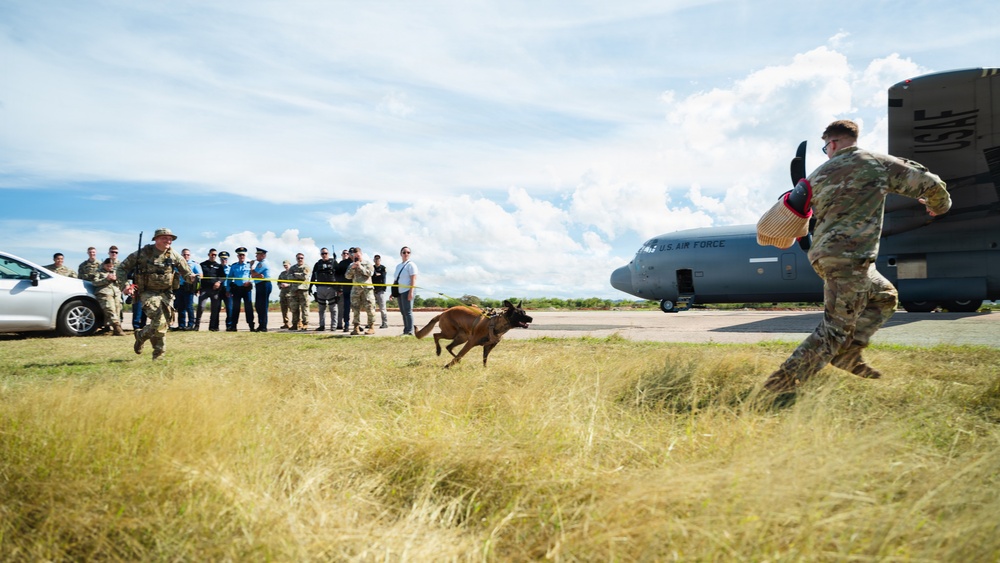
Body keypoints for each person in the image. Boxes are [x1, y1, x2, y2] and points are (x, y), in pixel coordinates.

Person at [763, 120, 952, 395]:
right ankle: (778, 387)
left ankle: (848, 353)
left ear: (833, 143)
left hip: (828, 257)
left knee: (884, 296)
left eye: (825, 147)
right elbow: (930, 183)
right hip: (850, 259)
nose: (827, 152)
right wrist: (939, 207)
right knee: (835, 329)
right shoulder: (876, 163)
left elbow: (795, 212)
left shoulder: (816, 175)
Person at [116, 228, 196, 360]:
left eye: (170, 238)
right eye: (165, 238)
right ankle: (159, 355)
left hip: (167, 293)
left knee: (164, 323)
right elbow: (121, 268)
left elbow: (186, 272)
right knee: (159, 319)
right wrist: (125, 286)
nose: (168, 241)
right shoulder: (143, 253)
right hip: (147, 292)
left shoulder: (174, 255)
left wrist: (192, 278)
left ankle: (141, 335)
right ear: (156, 239)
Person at [345, 246, 376, 335]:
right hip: (356, 289)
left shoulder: (367, 263)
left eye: (358, 256)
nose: (356, 257)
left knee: (370, 308)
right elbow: (347, 276)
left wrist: (360, 267)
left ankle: (371, 327)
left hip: (367, 289)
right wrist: (352, 268)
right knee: (355, 309)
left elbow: (370, 273)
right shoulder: (351, 265)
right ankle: (356, 327)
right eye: (355, 256)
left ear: (361, 254)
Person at [92, 258, 125, 336]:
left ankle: (116, 329)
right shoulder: (98, 272)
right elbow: (94, 282)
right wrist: (106, 279)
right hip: (104, 293)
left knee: (117, 310)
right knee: (110, 310)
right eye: (108, 266)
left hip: (116, 293)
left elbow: (122, 282)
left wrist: (116, 279)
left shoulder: (115, 272)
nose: (109, 268)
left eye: (111, 266)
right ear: (104, 265)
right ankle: (117, 328)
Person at [196, 248, 226, 331]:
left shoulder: (219, 266)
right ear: (209, 254)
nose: (213, 256)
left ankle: (212, 327)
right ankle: (196, 326)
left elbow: (223, 277)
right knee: (201, 307)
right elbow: (199, 277)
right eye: (212, 254)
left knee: (214, 309)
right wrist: (197, 288)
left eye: (215, 255)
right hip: (204, 289)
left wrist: (218, 282)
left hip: (215, 290)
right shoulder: (202, 265)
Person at [310, 247, 339, 331]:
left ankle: (333, 326)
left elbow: (339, 275)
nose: (324, 255)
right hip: (320, 288)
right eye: (322, 253)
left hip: (332, 288)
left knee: (333, 309)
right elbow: (313, 275)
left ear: (328, 254)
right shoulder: (317, 264)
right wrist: (310, 287)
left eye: (325, 253)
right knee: (321, 309)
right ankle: (321, 326)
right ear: (320, 254)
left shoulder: (334, 262)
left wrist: (339, 288)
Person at [392, 246, 419, 335]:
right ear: (401, 254)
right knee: (403, 312)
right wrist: (393, 292)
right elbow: (396, 280)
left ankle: (410, 331)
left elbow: (413, 279)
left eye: (408, 252)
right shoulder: (398, 266)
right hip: (400, 291)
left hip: (407, 290)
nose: (406, 254)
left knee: (408, 311)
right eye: (404, 252)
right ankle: (406, 330)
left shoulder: (411, 265)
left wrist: (411, 292)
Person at [227, 247, 255, 332]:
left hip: (246, 289)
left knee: (248, 308)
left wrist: (250, 282)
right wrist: (228, 289)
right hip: (237, 289)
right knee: (235, 308)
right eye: (240, 255)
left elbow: (253, 276)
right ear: (237, 256)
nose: (241, 256)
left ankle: (251, 326)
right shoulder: (234, 266)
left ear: (245, 256)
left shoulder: (249, 265)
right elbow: (229, 278)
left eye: (243, 255)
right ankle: (233, 326)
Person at [173, 248, 201, 330]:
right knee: (180, 307)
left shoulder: (194, 264)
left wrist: (194, 276)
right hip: (179, 287)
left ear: (190, 255)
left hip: (189, 288)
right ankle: (181, 325)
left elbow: (200, 275)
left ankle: (190, 325)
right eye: (184, 254)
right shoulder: (178, 264)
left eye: (188, 254)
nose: (186, 256)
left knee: (189, 307)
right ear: (181, 255)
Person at [287, 253, 312, 330]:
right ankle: (295, 324)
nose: (300, 259)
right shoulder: (292, 268)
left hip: (303, 290)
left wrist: (295, 275)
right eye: (298, 258)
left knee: (305, 308)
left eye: (301, 258)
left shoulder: (306, 267)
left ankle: (305, 324)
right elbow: (289, 277)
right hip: (294, 290)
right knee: (294, 308)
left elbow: (304, 276)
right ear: (296, 259)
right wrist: (299, 275)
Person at [250, 247, 272, 332]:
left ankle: (263, 326)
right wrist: (257, 275)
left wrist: (251, 267)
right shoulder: (260, 263)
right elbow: (254, 275)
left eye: (258, 254)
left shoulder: (262, 264)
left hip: (264, 285)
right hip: (260, 284)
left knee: (262, 306)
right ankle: (261, 324)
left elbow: (253, 274)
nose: (256, 256)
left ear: (263, 255)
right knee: (258, 306)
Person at [335, 249, 353, 332]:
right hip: (346, 288)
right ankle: (346, 324)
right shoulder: (343, 263)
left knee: (357, 307)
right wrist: (339, 287)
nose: (352, 254)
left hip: (357, 288)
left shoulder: (359, 262)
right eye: (350, 253)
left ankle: (357, 324)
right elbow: (337, 276)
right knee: (346, 307)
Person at [372, 254, 389, 328]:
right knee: (371, 308)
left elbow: (383, 276)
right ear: (374, 260)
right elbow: (371, 276)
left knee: (382, 308)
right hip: (373, 290)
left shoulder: (383, 268)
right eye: (375, 259)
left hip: (380, 290)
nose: (377, 260)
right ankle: (371, 323)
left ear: (380, 260)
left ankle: (385, 323)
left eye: (378, 259)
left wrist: (377, 275)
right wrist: (376, 274)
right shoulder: (372, 267)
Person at [218, 251, 234, 330]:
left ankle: (229, 326)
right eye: (222, 259)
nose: (224, 260)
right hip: (218, 290)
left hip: (228, 290)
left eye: (225, 259)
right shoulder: (217, 268)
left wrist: (231, 290)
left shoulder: (231, 268)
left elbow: (233, 280)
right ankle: (215, 326)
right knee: (216, 308)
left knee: (229, 309)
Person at [277, 260, 293, 329]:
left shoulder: (293, 273)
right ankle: (286, 323)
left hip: (291, 294)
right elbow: (278, 282)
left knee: (293, 309)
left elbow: (296, 283)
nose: (285, 266)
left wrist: (288, 285)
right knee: (284, 310)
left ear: (290, 264)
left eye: (286, 265)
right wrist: (280, 285)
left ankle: (297, 323)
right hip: (283, 294)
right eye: (284, 265)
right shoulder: (282, 273)